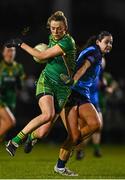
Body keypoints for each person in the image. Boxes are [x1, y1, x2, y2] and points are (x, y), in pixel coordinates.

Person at [6, 11, 76, 158]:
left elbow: (41, 55)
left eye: (59, 28)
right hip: (46, 81)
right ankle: (14, 141)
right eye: (53, 28)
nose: (56, 31)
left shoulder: (67, 42)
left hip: (63, 89)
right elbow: (42, 55)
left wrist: (20, 43)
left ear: (66, 28)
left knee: (43, 132)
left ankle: (32, 138)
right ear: (49, 28)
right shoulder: (52, 37)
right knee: (48, 114)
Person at [53, 31, 113, 176]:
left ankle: (67, 154)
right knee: (75, 132)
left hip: (81, 94)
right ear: (98, 42)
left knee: (93, 125)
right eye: (107, 42)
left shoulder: (93, 52)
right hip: (72, 92)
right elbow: (84, 67)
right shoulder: (96, 53)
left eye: (111, 42)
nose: (109, 45)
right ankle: (60, 163)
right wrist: (73, 80)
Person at [0, 45, 25, 142]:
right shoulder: (1, 67)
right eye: (8, 51)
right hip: (1, 100)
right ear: (3, 53)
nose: (10, 53)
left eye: (12, 51)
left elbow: (20, 87)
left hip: (11, 101)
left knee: (3, 133)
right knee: (10, 122)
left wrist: (18, 82)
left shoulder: (18, 67)